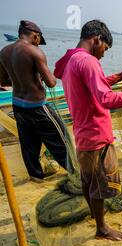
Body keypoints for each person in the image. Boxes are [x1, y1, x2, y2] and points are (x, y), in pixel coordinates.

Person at [54, 20, 122, 241]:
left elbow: (96, 85)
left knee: (87, 181)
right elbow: (106, 98)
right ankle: (102, 229)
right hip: (96, 135)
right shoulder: (89, 62)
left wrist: (119, 75)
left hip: (83, 134)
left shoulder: (71, 61)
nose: (103, 54)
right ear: (97, 39)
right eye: (104, 48)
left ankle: (97, 219)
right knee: (99, 184)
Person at [0, 20, 70, 182]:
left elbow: (3, 82)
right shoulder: (34, 52)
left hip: (18, 106)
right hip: (38, 107)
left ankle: (36, 177)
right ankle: (76, 174)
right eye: (39, 39)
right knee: (62, 140)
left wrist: (23, 79)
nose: (39, 43)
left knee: (29, 146)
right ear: (35, 36)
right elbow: (51, 82)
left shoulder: (4, 52)